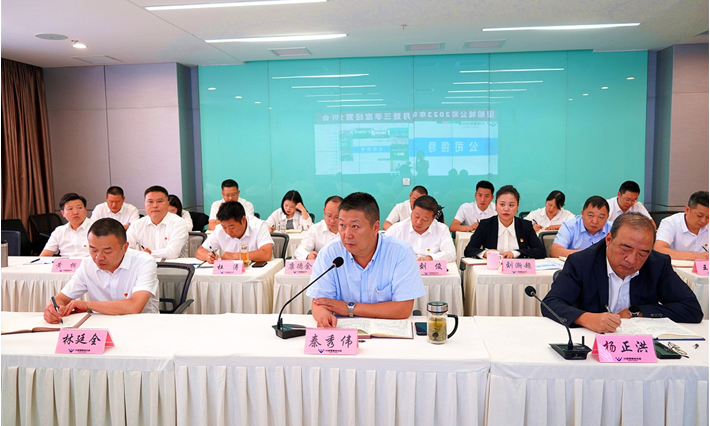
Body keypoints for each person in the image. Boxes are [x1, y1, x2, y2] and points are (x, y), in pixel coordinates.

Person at [542, 213, 703, 333]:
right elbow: (551, 303)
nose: (631, 260)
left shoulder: (657, 264)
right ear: (609, 239)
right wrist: (586, 318)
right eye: (625, 249)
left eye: (642, 253)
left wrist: (638, 312)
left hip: (639, 346)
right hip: (591, 343)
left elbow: (692, 309)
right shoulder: (581, 262)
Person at [306, 192, 426, 327]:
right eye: (342, 225)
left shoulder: (400, 253)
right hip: (343, 330)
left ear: (375, 227)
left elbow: (403, 309)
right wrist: (324, 316)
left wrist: (349, 308)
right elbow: (320, 303)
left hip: (387, 331)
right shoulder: (329, 253)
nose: (347, 235)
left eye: (355, 226)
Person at [43, 218, 159, 323]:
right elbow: (61, 298)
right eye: (93, 250)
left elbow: (134, 306)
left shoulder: (144, 262)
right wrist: (53, 310)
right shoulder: (87, 265)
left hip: (141, 324)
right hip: (101, 326)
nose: (98, 257)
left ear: (124, 247)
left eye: (107, 251)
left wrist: (87, 305)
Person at [463, 185, 545, 259]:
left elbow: (540, 251)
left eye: (511, 205)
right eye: (502, 205)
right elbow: (469, 250)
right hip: (493, 269)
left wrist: (516, 253)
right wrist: (485, 253)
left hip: (518, 269)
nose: (506, 209)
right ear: (496, 206)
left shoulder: (525, 226)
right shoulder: (485, 225)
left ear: (517, 206)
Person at [196, 201, 273, 263]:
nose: (228, 231)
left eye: (232, 227)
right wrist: (207, 256)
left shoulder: (259, 226)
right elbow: (200, 251)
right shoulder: (219, 229)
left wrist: (235, 256)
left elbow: (266, 254)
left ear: (243, 220)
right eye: (224, 227)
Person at [385, 195, 456, 263]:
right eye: (416, 216)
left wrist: (430, 258)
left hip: (430, 270)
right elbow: (382, 249)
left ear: (433, 218)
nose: (418, 222)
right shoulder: (397, 229)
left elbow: (451, 254)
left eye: (425, 219)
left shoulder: (442, 229)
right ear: (412, 211)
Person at [126, 185, 189, 259]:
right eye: (150, 202)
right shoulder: (137, 225)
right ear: (145, 204)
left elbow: (172, 253)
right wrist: (141, 254)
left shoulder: (179, 223)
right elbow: (126, 250)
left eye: (159, 201)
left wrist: (147, 254)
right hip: (145, 264)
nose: (155, 205)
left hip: (174, 265)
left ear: (167, 204)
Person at [655, 191, 709, 260]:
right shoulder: (670, 223)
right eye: (699, 215)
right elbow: (659, 249)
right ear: (687, 210)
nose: (703, 221)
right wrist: (697, 256)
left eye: (708, 217)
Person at [40, 193, 93, 257]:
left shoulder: (97, 228)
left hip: (89, 262)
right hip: (66, 262)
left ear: (85, 210)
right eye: (70, 209)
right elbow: (44, 256)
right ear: (63, 213)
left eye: (79, 208)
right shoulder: (59, 231)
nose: (75, 212)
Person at [293, 195, 343, 260]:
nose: (332, 221)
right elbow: (300, 250)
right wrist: (308, 256)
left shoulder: (349, 230)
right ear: (324, 210)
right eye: (329, 216)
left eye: (337, 217)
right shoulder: (316, 229)